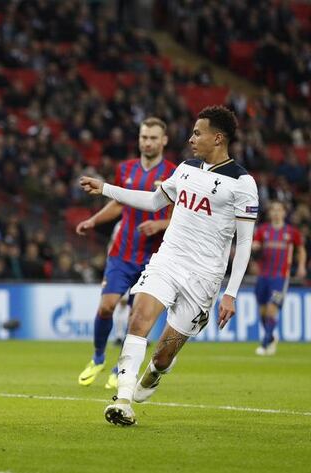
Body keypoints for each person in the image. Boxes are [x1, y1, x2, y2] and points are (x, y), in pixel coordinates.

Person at [79, 105, 258, 426]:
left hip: (204, 277)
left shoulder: (242, 183)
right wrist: (105, 188)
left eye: (197, 133)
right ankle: (122, 399)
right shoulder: (186, 169)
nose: (191, 139)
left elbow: (243, 242)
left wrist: (230, 293)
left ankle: (155, 372)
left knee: (163, 354)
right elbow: (152, 201)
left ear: (218, 138)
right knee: (138, 318)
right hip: (168, 259)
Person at [75, 117, 175, 390]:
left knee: (135, 319)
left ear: (164, 140)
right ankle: (97, 358)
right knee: (106, 306)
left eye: (153, 137)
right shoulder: (126, 169)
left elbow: (183, 216)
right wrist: (94, 220)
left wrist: (160, 224)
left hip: (152, 259)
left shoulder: (175, 173)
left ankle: (122, 369)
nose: (148, 142)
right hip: (122, 253)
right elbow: (119, 204)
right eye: (144, 137)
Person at [252, 201, 306, 355]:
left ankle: (264, 343)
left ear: (284, 213)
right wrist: (254, 249)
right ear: (270, 213)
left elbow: (300, 250)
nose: (276, 213)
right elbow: (255, 247)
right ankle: (271, 336)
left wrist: (301, 265)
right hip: (263, 276)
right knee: (262, 311)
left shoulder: (291, 232)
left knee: (271, 309)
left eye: (279, 210)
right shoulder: (263, 231)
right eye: (273, 210)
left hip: (280, 277)